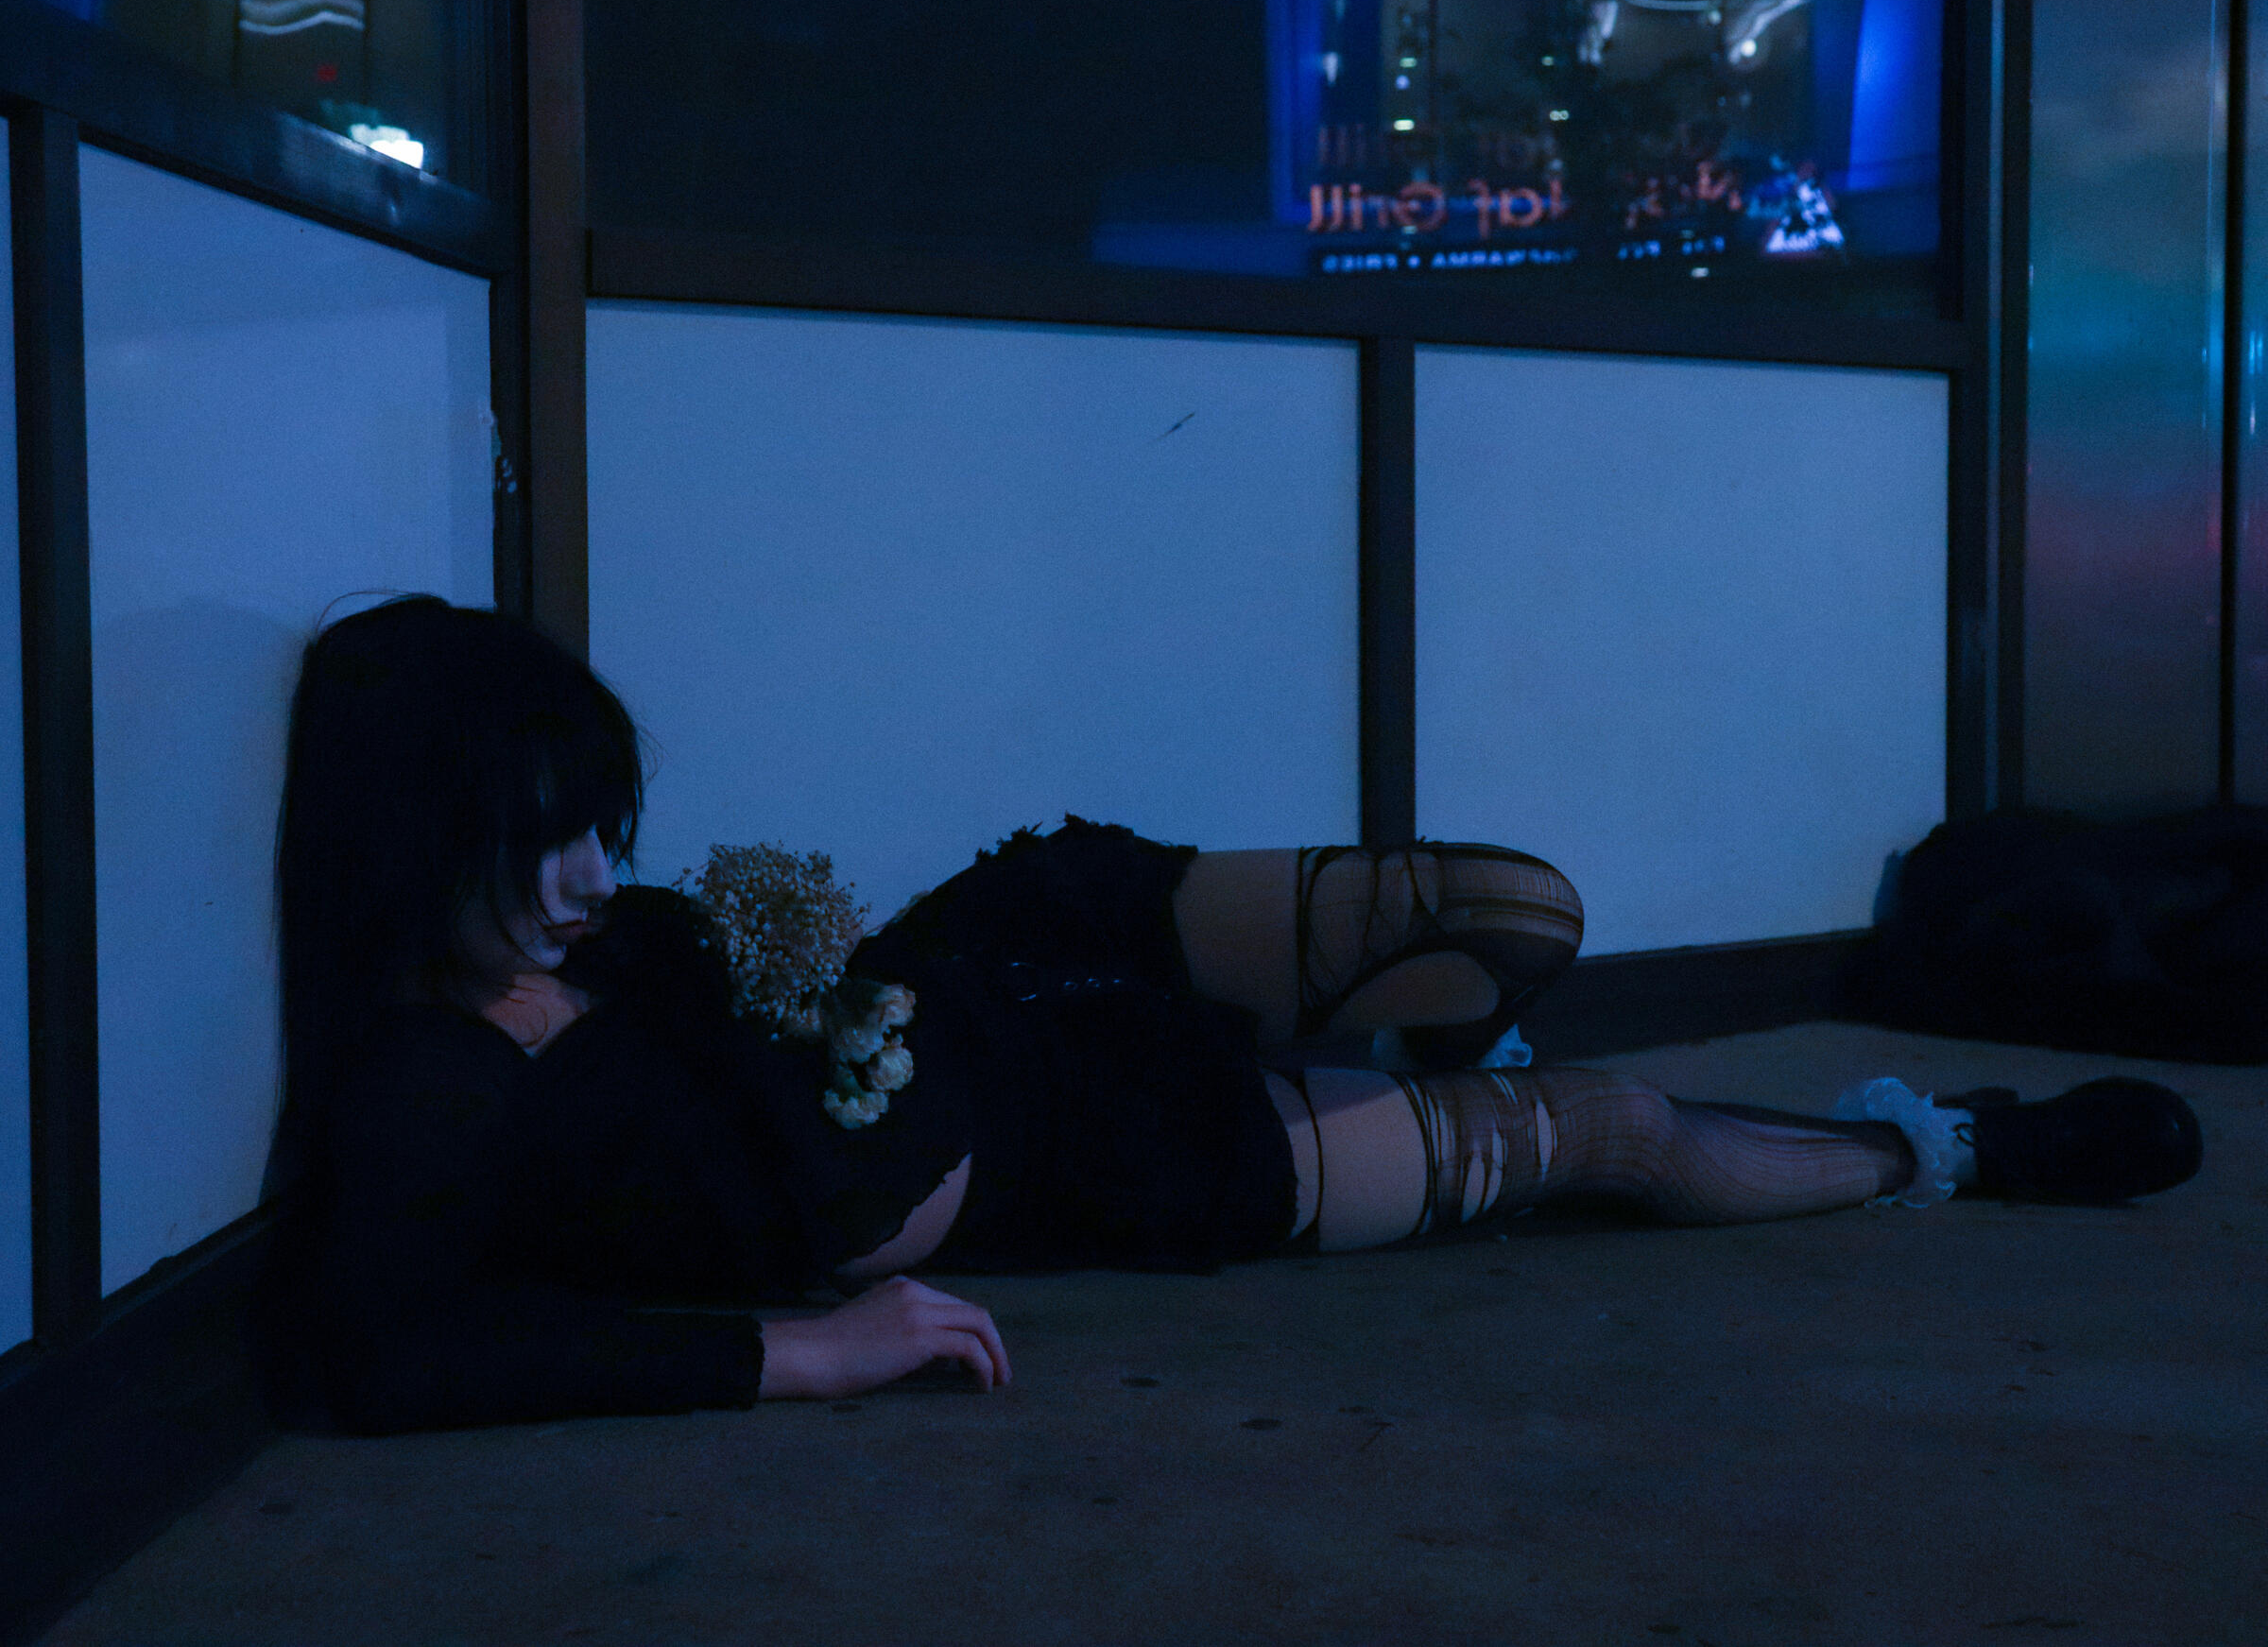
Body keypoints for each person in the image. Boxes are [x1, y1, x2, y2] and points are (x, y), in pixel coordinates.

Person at [252, 596, 2205, 1435]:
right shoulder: (430, 1082)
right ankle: (1953, 1147)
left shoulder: (623, 941)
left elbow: (813, 1002)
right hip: (1098, 1156)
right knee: (1605, 1137)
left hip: (999, 966)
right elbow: (396, 1354)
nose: (593, 877)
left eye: (605, 830)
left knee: (1517, 907)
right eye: (541, 843)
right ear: (414, 832)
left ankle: (1435, 1039)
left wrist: (793, 973)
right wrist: (804, 1354)